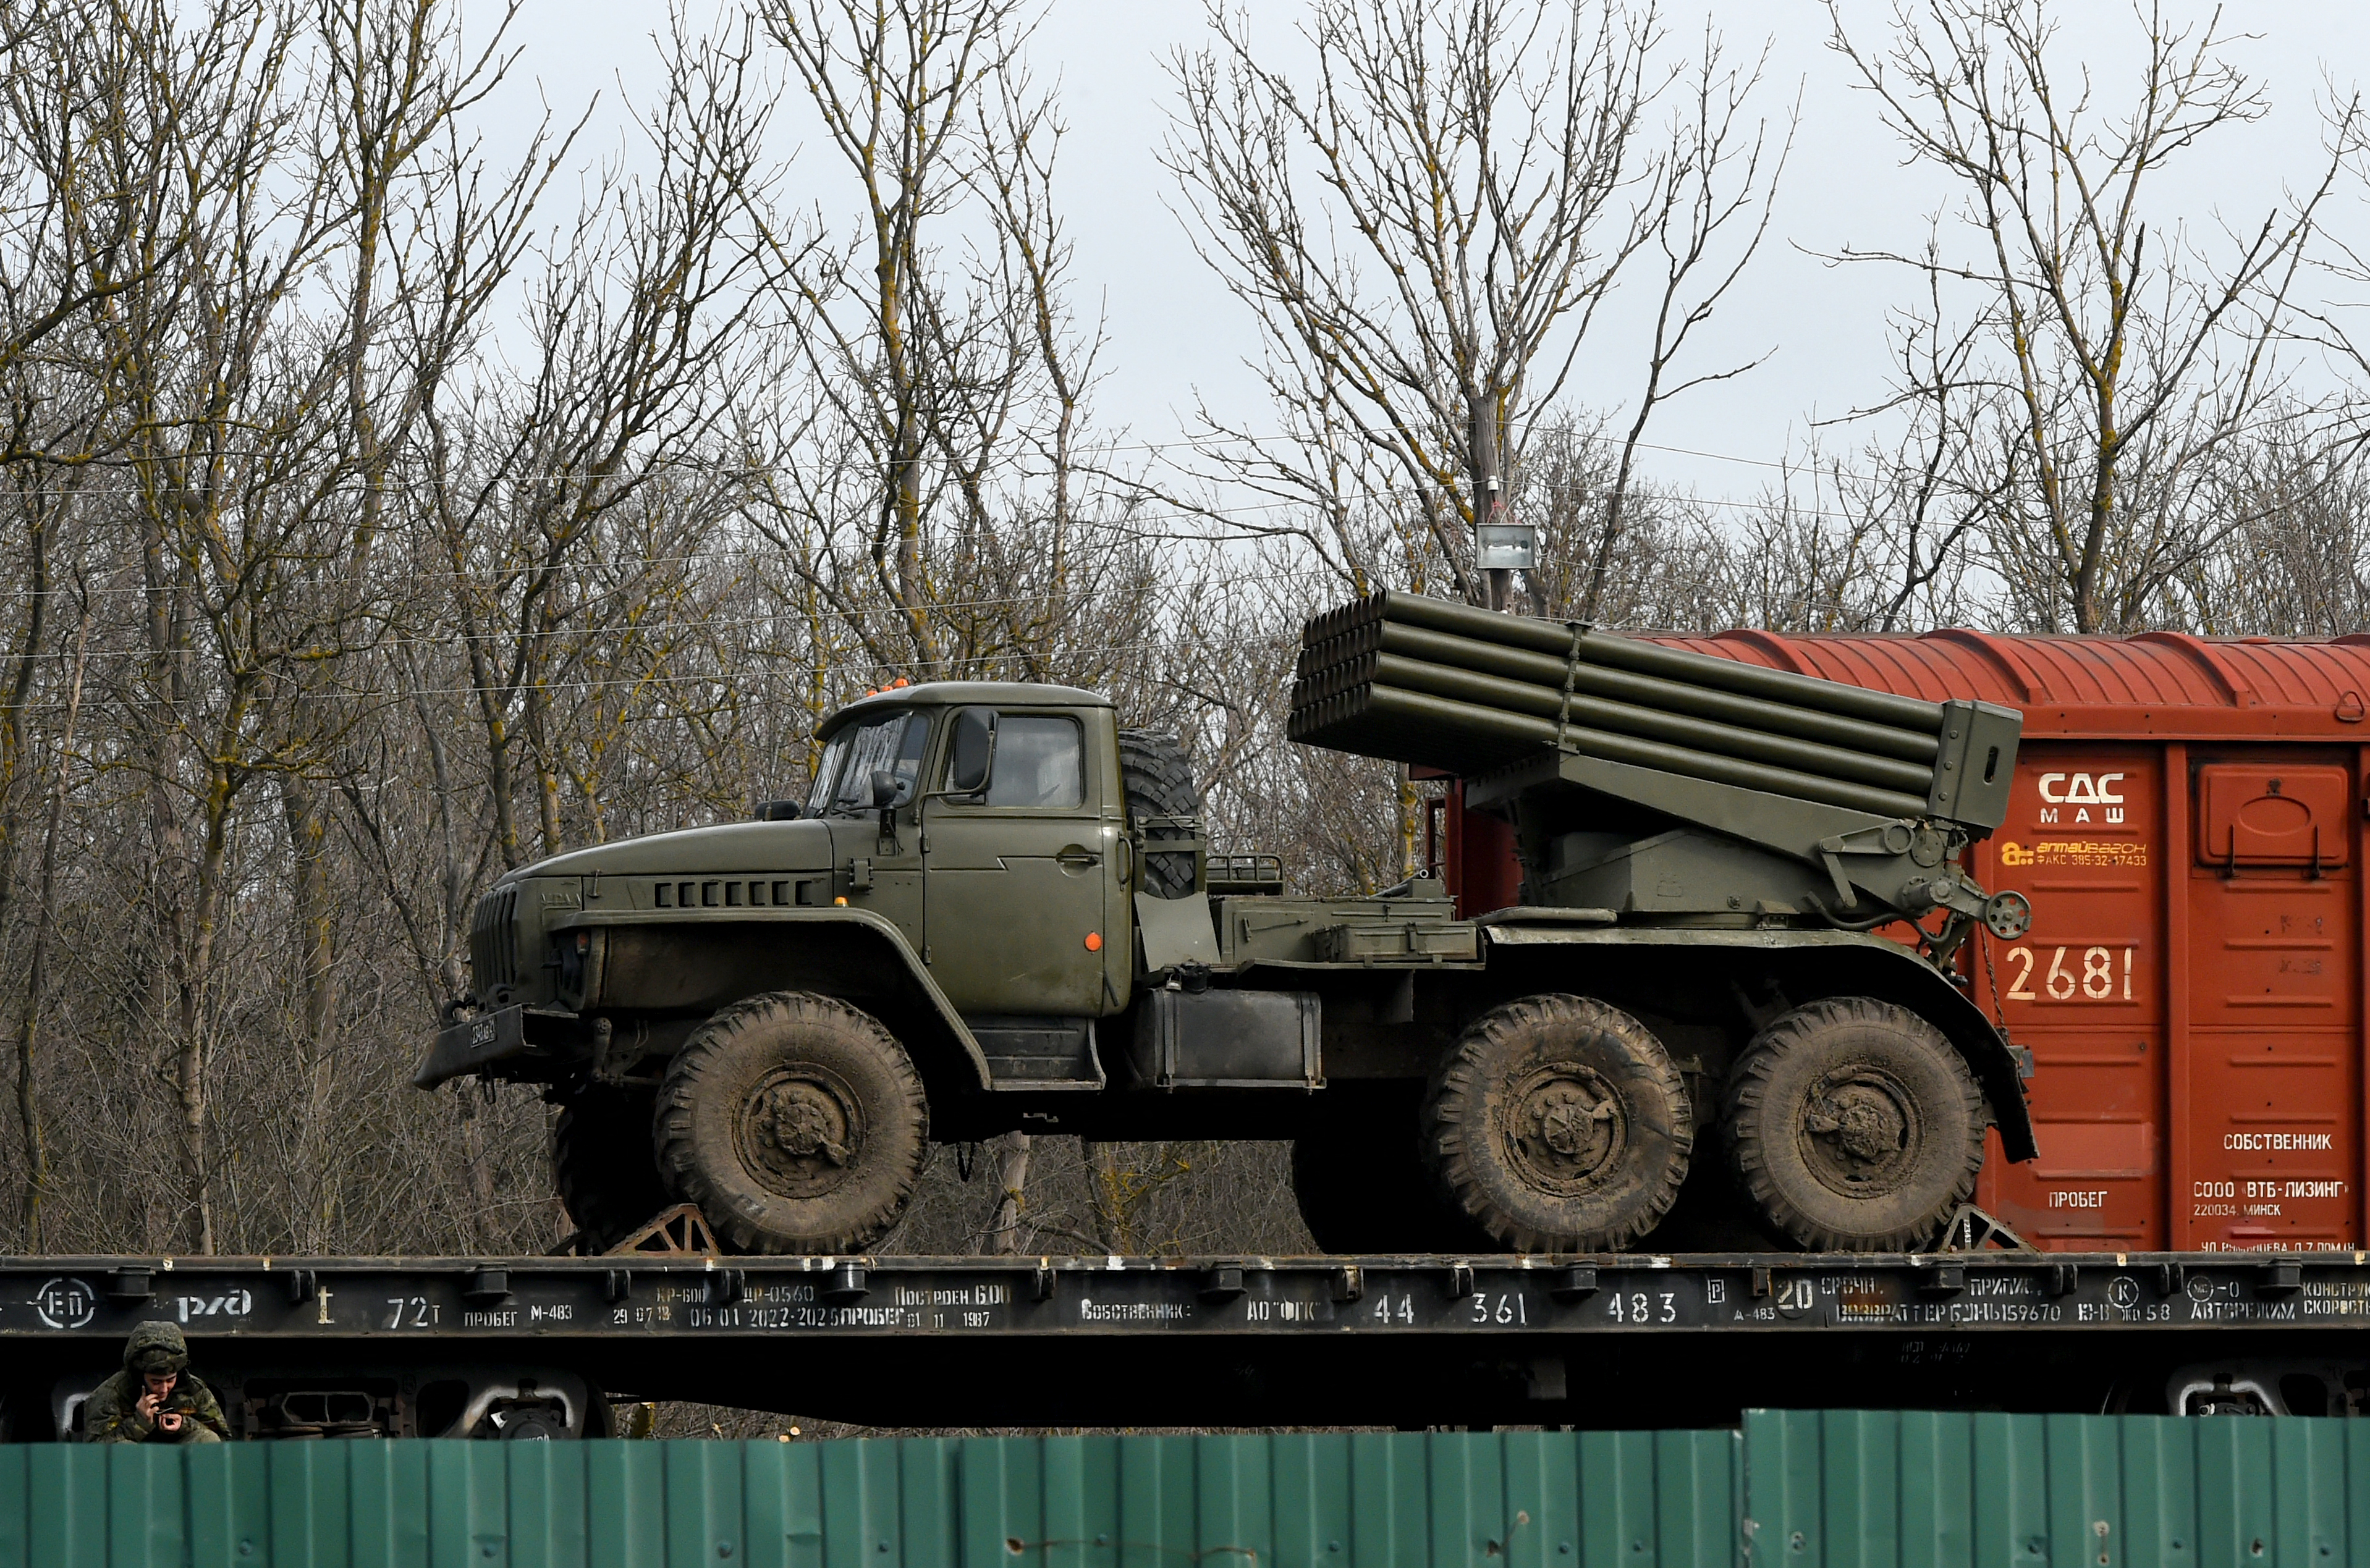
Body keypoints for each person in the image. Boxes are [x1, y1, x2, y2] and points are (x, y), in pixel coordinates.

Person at [83, 1321, 230, 1443]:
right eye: (156, 1381)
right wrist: (139, 1422)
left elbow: (223, 1440)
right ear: (141, 1375)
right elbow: (95, 1449)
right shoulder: (112, 1394)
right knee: (122, 1449)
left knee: (208, 1440)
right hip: (134, 1468)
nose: (164, 1389)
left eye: (171, 1380)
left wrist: (184, 1425)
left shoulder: (194, 1391)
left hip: (180, 1464)